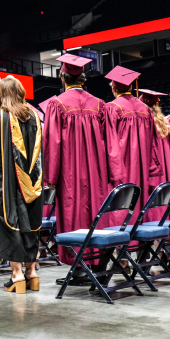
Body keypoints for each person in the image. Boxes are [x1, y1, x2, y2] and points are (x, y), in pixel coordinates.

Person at [43, 54, 109, 286]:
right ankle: (95, 266)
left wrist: (50, 177)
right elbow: (108, 143)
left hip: (69, 173)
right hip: (97, 173)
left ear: (63, 77)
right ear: (83, 78)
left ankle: (80, 267)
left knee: (74, 215)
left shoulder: (56, 104)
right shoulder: (100, 105)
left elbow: (52, 142)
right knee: (94, 214)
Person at [0, 77, 44, 293]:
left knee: (12, 224)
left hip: (7, 182)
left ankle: (16, 275)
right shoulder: (35, 116)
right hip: (32, 182)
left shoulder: (0, 117)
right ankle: (31, 273)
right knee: (30, 225)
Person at [101, 65, 159, 225]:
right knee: (140, 204)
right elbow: (153, 145)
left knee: (121, 208)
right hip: (142, 169)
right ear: (132, 86)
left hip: (121, 170)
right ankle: (140, 246)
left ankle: (122, 246)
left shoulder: (112, 108)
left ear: (114, 88)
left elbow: (110, 144)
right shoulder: (146, 110)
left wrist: (112, 173)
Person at [138, 89, 170, 222]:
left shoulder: (145, 127)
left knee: (153, 209)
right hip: (167, 174)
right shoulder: (167, 126)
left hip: (154, 174)